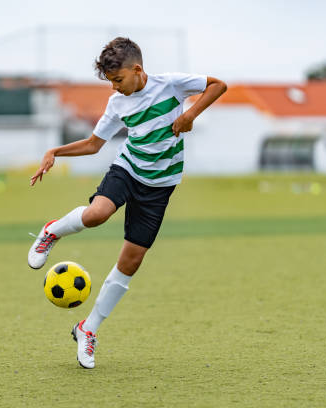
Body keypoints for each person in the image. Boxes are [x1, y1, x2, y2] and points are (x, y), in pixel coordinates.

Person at [28, 37, 227, 369]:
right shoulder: (117, 103)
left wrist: (190, 114)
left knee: (131, 262)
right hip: (128, 169)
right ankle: (52, 232)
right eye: (110, 82)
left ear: (137, 70)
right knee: (97, 214)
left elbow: (218, 85)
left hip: (160, 186)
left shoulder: (171, 85)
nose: (115, 87)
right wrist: (55, 152)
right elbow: (94, 145)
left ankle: (87, 329)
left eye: (118, 80)